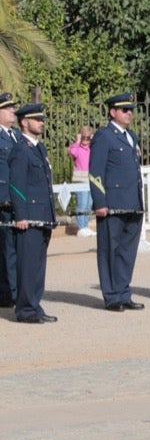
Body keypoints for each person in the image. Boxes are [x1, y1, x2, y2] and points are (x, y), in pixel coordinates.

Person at [88, 93, 146, 310]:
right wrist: (100, 201)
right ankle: (111, 296)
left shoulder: (131, 136)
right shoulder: (104, 135)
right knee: (110, 250)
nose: (129, 113)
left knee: (127, 251)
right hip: (112, 203)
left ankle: (123, 292)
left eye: (130, 109)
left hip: (132, 202)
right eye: (124, 110)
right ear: (113, 112)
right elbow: (95, 172)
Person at [8, 103, 58, 322]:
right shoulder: (20, 149)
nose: (41, 122)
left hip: (42, 214)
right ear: (24, 122)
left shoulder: (39, 148)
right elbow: (17, 185)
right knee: (28, 266)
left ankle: (34, 305)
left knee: (38, 266)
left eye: (42, 119)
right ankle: (25, 309)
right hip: (29, 216)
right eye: (36, 119)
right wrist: (21, 215)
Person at [0, 93, 19, 309]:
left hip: (16, 198)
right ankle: (8, 292)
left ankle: (11, 290)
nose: (12, 112)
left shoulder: (15, 135)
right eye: (7, 109)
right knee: (6, 249)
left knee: (13, 247)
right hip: (3, 198)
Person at [68, 124, 95, 236]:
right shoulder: (77, 148)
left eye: (88, 137)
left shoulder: (92, 148)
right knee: (82, 203)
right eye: (83, 137)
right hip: (80, 177)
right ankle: (81, 227)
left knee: (89, 203)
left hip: (90, 177)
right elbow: (72, 152)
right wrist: (77, 141)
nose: (85, 140)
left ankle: (86, 226)